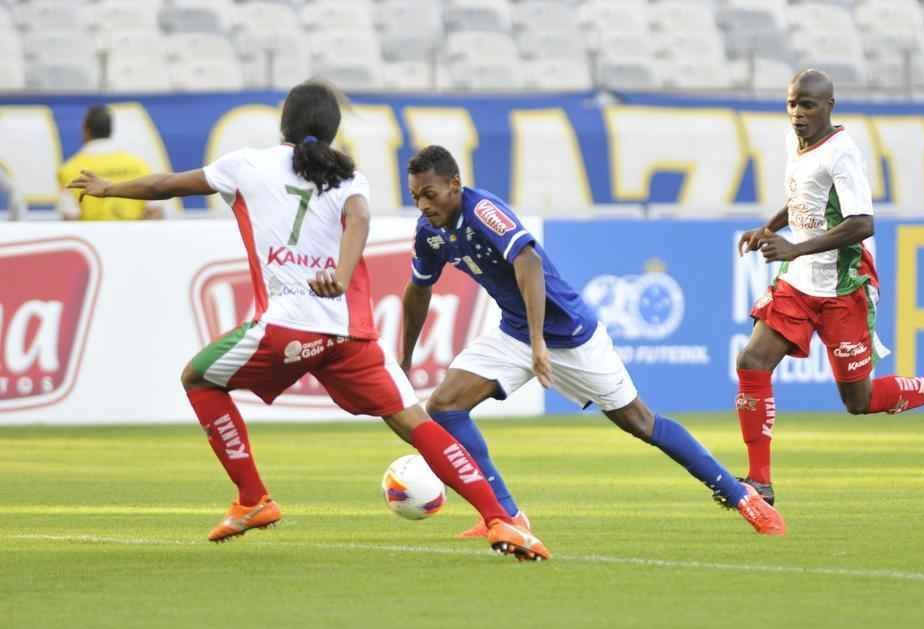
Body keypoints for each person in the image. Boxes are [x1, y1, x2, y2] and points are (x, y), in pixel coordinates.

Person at [67, 81, 544, 561]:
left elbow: (167, 185)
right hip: (350, 333)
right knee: (416, 422)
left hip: (287, 325)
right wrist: (339, 275)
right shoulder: (349, 177)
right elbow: (359, 220)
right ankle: (502, 520)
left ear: (283, 123)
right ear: (333, 130)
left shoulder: (246, 165)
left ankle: (253, 498)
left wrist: (110, 189)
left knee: (197, 379)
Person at [402, 145, 785, 539]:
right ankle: (505, 516)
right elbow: (418, 290)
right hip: (515, 332)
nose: (422, 204)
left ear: (454, 184)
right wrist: (405, 359)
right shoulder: (429, 232)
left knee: (640, 422)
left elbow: (528, 262)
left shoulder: (482, 211)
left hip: (571, 337)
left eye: (429, 194)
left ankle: (741, 497)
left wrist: (539, 343)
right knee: (445, 405)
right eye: (415, 196)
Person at [734, 70, 924, 506]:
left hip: (842, 286)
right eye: (792, 103)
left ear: (829, 106)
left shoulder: (843, 154)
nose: (798, 113)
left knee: (859, 400)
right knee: (752, 362)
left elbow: (862, 223)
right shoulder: (797, 143)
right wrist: (769, 227)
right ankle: (760, 482)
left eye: (808, 105)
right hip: (798, 286)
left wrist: (796, 248)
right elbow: (803, 198)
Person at [58, 105, 163, 222]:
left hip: (93, 238)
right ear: (110, 129)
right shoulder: (139, 165)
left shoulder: (69, 170)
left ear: (85, 129)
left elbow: (70, 217)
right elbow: (155, 212)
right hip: (133, 237)